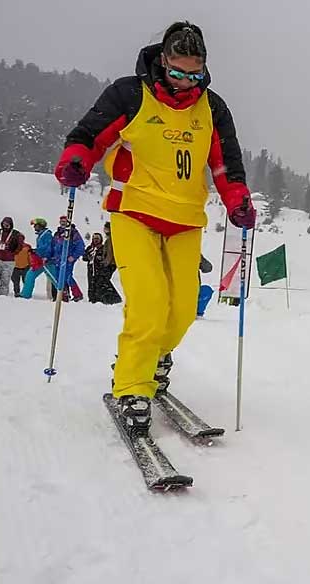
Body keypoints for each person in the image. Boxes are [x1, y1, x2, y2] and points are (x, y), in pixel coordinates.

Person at [54, 21, 254, 435]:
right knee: (147, 303)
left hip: (184, 220)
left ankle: (156, 357)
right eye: (177, 73)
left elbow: (226, 164)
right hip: (134, 212)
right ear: (162, 61)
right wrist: (76, 160)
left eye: (194, 75)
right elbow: (88, 136)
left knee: (182, 308)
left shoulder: (212, 108)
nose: (185, 83)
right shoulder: (129, 93)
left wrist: (237, 200)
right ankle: (132, 386)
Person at [36, 215, 86, 302]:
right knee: (59, 278)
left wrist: (74, 256)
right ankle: (63, 295)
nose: (63, 223)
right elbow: (51, 247)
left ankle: (77, 294)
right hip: (57, 259)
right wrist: (47, 256)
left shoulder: (73, 233)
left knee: (67, 276)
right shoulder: (57, 234)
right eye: (61, 221)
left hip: (67, 259)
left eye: (65, 221)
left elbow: (80, 246)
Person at [0, 217, 24, 296]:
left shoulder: (16, 234)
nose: (6, 225)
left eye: (8, 224)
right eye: (4, 224)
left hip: (9, 261)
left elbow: (20, 246)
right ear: (2, 224)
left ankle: (2, 298)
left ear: (11, 225)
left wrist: (13, 251)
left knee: (5, 280)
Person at [83, 232, 121, 304]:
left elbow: (107, 257)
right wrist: (88, 257)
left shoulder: (103, 248)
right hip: (91, 269)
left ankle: (107, 299)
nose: (96, 240)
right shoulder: (90, 248)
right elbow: (84, 257)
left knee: (100, 283)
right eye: (94, 238)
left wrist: (100, 259)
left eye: (97, 238)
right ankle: (92, 299)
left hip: (100, 269)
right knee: (91, 284)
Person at [20, 218, 50, 299]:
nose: (34, 227)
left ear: (41, 226)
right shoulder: (41, 235)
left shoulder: (47, 234)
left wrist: (36, 250)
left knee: (53, 278)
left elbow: (48, 247)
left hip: (48, 261)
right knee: (30, 275)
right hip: (40, 260)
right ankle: (25, 294)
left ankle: (62, 295)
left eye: (35, 225)